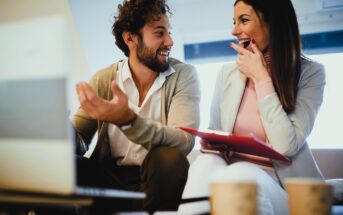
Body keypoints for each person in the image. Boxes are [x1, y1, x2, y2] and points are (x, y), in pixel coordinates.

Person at [178, 0, 326, 214]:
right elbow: (215, 130)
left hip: (284, 190)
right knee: (204, 163)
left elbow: (286, 146)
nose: (234, 30)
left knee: (240, 173)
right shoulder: (227, 72)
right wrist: (212, 143)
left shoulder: (311, 73)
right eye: (234, 22)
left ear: (273, 23)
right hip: (231, 179)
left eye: (244, 20)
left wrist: (261, 77)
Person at [72, 0, 200, 213]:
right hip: (110, 183)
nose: (170, 41)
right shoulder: (104, 79)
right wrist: (58, 127)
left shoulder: (183, 75)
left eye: (169, 32)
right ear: (130, 38)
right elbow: (79, 141)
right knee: (68, 165)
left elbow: (184, 140)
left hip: (158, 181)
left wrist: (129, 121)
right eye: (160, 34)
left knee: (169, 157)